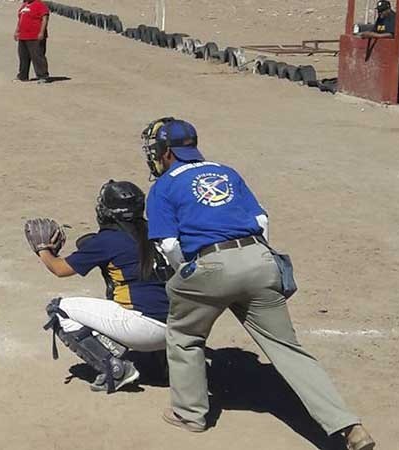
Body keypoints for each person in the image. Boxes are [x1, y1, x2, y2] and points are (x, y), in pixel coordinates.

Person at [140, 117, 375, 450]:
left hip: (210, 267)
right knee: (289, 351)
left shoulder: (163, 186)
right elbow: (262, 220)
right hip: (259, 260)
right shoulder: (226, 171)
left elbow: (168, 245)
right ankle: (349, 426)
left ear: (166, 153)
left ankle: (190, 414)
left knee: (184, 334)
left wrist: (189, 274)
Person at [32, 181, 170, 393]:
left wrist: (43, 249)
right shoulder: (158, 231)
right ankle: (167, 365)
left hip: (145, 330)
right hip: (182, 326)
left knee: (58, 309)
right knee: (153, 292)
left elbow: (59, 269)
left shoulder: (108, 241)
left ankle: (117, 369)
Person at [357, 0, 399, 100]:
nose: (380, 13)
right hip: (389, 54)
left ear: (388, 9)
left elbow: (392, 35)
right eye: (379, 11)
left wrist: (375, 35)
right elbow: (374, 30)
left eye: (382, 11)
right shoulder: (380, 19)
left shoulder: (394, 19)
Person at [14, 0, 51, 84]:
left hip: (35, 36)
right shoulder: (24, 5)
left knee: (37, 56)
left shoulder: (40, 5)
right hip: (23, 36)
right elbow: (20, 19)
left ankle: (42, 76)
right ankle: (23, 76)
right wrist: (17, 31)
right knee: (23, 57)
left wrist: (41, 32)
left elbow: (45, 18)